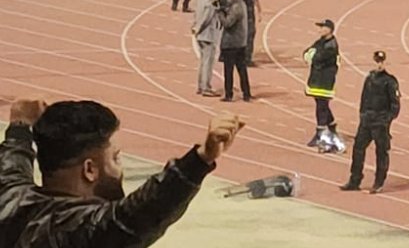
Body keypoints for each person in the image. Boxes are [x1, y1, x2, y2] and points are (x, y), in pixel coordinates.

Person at [0, 96, 243, 248]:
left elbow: (11, 167)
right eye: (115, 158)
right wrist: (201, 158)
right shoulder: (79, 230)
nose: (120, 168)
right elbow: (141, 212)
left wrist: (20, 127)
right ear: (90, 170)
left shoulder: (11, 199)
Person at [341, 50, 401, 194]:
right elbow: (364, 98)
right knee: (358, 149)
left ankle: (378, 182)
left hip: (380, 122)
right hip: (367, 120)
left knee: (381, 152)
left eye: (381, 62)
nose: (379, 65)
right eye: (377, 62)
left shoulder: (390, 81)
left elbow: (395, 105)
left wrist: (386, 121)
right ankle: (355, 180)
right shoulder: (369, 78)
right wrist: (362, 115)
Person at [303, 19, 347, 153]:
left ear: (329, 29)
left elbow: (317, 58)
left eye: (322, 27)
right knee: (322, 105)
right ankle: (332, 127)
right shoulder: (321, 42)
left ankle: (321, 134)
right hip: (317, 79)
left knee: (321, 107)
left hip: (324, 81)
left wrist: (311, 55)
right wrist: (310, 55)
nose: (319, 29)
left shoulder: (331, 46)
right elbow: (307, 52)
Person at [219, 0, 251, 102]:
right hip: (240, 43)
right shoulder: (241, 4)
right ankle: (246, 93)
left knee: (229, 71)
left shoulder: (236, 7)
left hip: (232, 44)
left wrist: (219, 12)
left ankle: (229, 94)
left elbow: (227, 23)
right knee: (242, 70)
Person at [192, 0, 222, 97]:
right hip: (207, 34)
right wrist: (199, 28)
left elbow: (196, 14)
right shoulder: (211, 1)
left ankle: (200, 85)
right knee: (207, 63)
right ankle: (206, 87)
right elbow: (207, 17)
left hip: (200, 35)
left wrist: (194, 26)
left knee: (203, 62)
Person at [233, 0, 261, 65]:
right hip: (247, 9)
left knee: (237, 31)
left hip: (235, 7)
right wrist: (259, 10)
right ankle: (246, 58)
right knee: (249, 33)